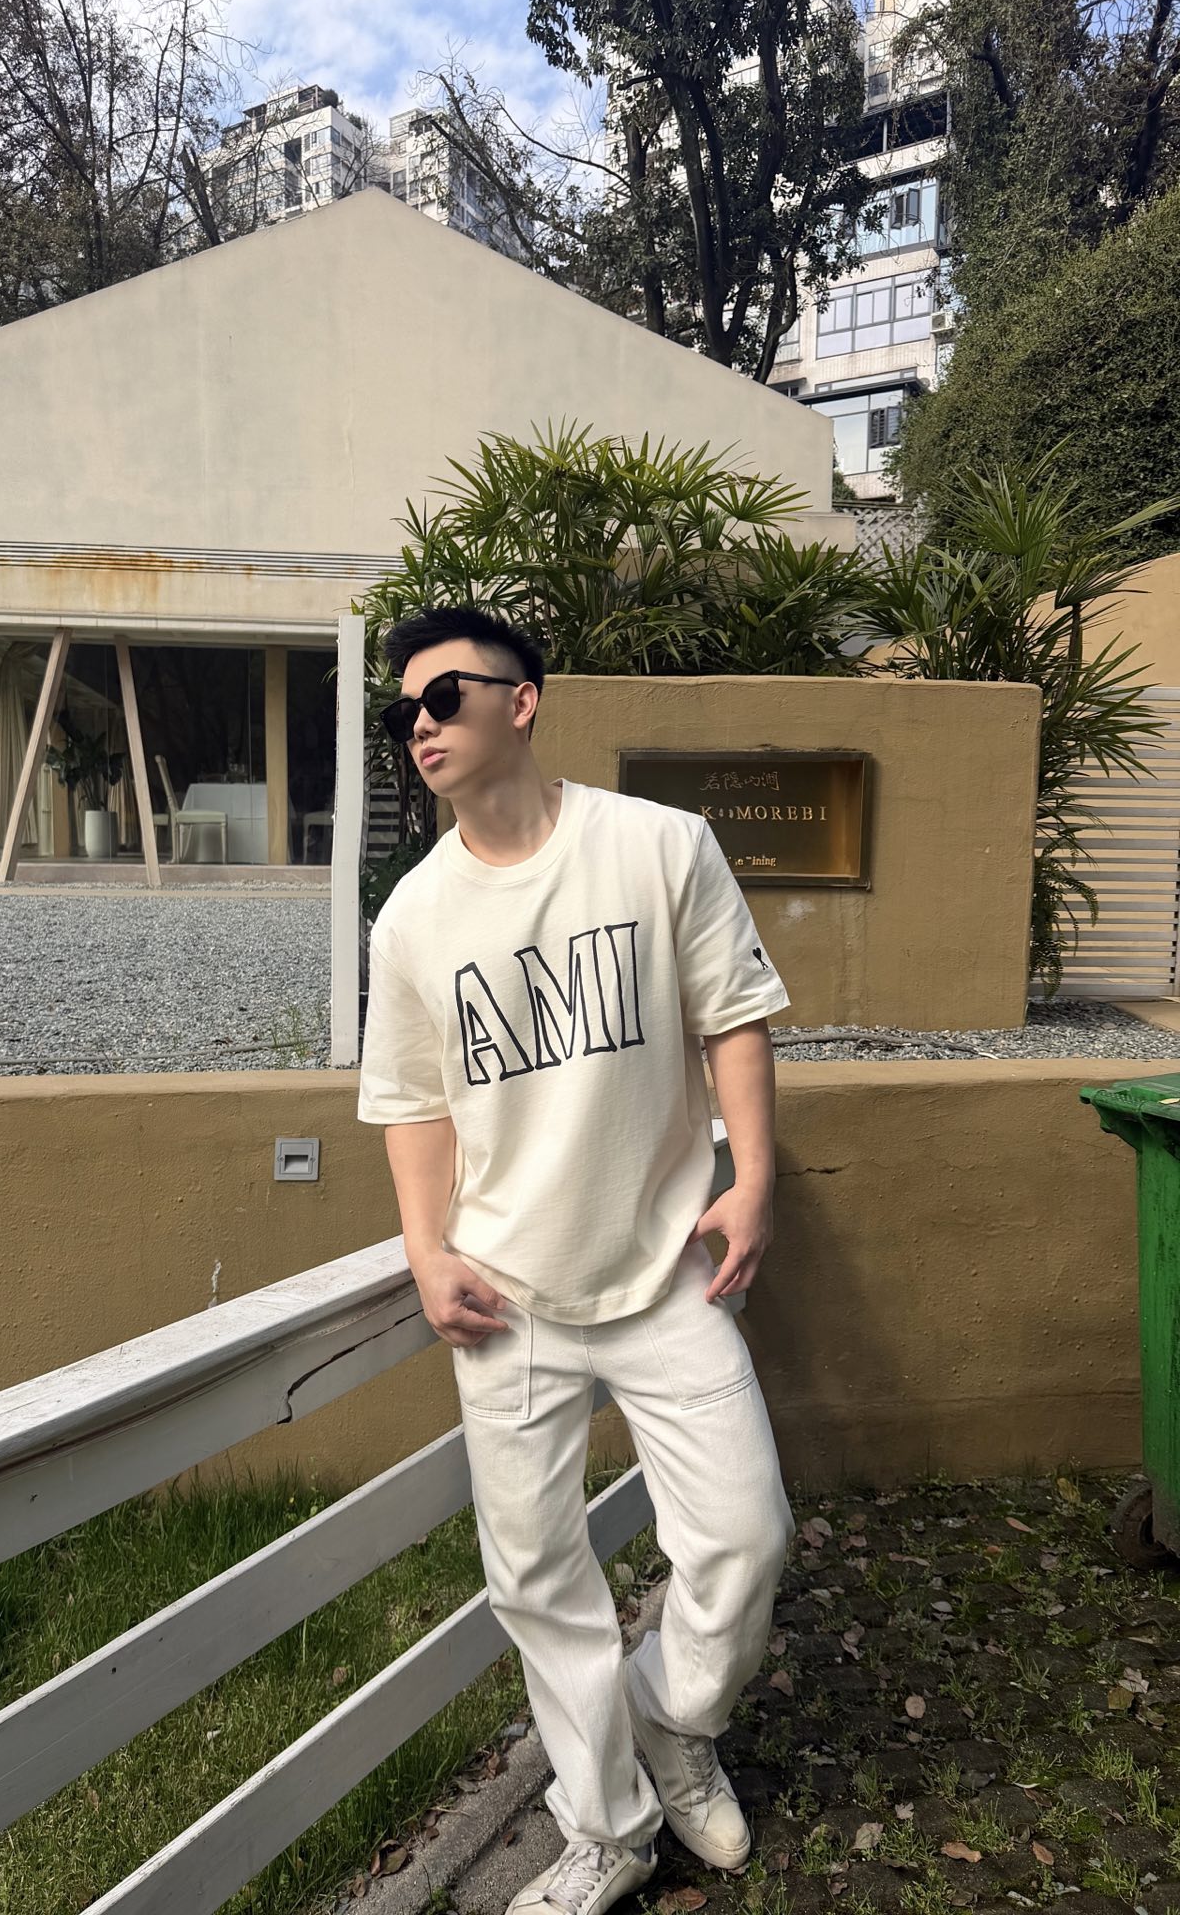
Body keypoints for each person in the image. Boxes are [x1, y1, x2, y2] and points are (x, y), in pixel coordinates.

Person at [355, 604, 796, 1915]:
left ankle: (674, 1716)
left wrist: (754, 1178)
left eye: (443, 697)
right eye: (403, 713)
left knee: (747, 1535)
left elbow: (735, 1015)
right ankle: (605, 1829)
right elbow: (412, 1106)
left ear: (523, 700)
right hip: (507, 1296)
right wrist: (425, 1252)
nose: (420, 726)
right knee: (538, 1582)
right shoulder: (413, 916)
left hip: (664, 1270)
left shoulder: (659, 847)